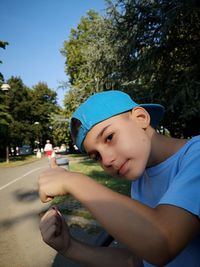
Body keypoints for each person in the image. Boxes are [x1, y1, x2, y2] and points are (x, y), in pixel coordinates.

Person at [38, 90, 200, 267]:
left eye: (109, 137)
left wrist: (73, 181)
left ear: (140, 118)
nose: (106, 161)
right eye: (96, 156)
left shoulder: (196, 156)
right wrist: (69, 247)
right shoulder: (139, 182)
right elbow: (138, 261)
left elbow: (163, 244)